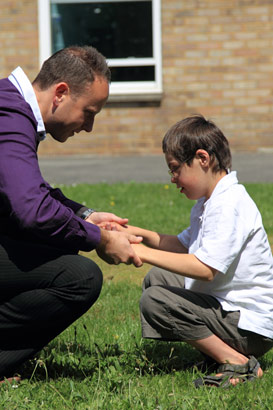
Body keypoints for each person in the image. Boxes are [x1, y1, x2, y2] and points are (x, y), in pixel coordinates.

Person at [0, 45, 143, 384]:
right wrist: (100, 238)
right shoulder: (9, 116)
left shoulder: (9, 105)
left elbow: (26, 192)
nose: (89, 127)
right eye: (89, 112)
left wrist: (84, 215)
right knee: (80, 277)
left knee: (61, 241)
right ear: (61, 93)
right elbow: (31, 210)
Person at [104, 114, 273, 387]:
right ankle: (216, 354)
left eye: (175, 169)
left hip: (249, 327)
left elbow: (205, 269)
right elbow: (184, 245)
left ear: (203, 159)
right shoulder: (210, 200)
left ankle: (237, 361)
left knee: (155, 299)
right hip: (227, 307)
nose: (172, 178)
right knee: (158, 279)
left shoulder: (229, 204)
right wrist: (132, 234)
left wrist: (142, 254)